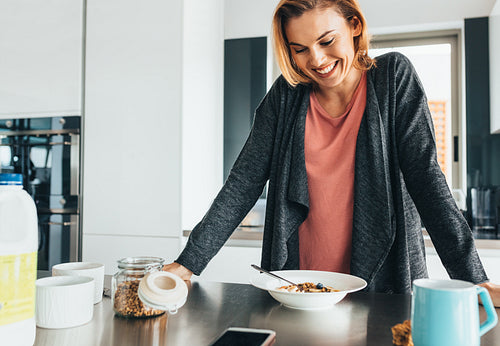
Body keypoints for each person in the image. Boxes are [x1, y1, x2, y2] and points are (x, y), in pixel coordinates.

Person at [163, 0, 500, 303]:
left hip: (380, 281)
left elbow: (427, 181)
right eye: (300, 49)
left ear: (354, 24)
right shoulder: (285, 95)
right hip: (298, 285)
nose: (317, 60)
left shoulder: (394, 78)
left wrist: (473, 279)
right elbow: (242, 184)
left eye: (326, 41)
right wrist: (188, 263)